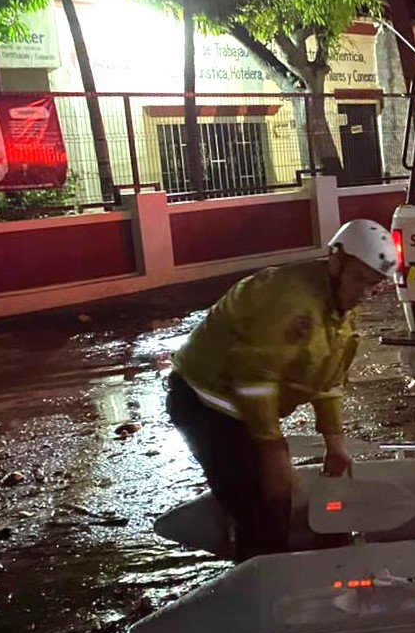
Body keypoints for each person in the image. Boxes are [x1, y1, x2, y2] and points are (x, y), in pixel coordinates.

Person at [167, 219, 395, 560]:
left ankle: (273, 560)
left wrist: (335, 445)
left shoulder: (338, 312)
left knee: (275, 500)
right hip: (207, 402)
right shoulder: (290, 300)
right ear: (336, 263)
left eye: (373, 284)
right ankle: (259, 574)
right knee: (262, 505)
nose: (364, 292)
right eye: (359, 279)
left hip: (241, 409)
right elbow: (254, 379)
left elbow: (326, 382)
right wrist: (273, 452)